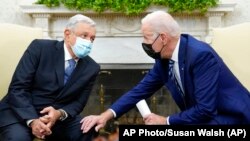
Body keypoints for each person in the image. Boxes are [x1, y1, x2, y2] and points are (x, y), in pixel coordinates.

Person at [80, 10, 250, 132]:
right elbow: (139, 91)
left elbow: (205, 109)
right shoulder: (163, 59)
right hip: (205, 117)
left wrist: (165, 121)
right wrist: (106, 115)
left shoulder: (200, 55)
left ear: (163, 38)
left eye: (146, 37)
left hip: (231, 118)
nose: (143, 42)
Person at [0, 14, 100, 141]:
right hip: (19, 113)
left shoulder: (92, 67)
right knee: (19, 138)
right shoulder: (40, 48)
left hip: (57, 119)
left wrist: (59, 114)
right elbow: (18, 88)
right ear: (67, 34)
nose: (88, 42)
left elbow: (78, 103)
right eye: (84, 36)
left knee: (86, 129)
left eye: (92, 38)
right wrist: (33, 120)